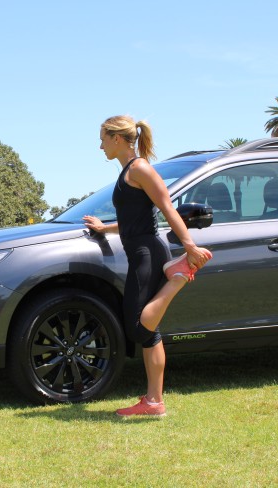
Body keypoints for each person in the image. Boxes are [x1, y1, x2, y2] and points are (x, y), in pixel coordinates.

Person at [83, 115, 212, 417]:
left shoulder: (140, 168)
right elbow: (133, 220)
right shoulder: (129, 171)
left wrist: (189, 246)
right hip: (141, 249)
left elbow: (166, 207)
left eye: (103, 138)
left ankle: (177, 278)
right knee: (150, 332)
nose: (100, 145)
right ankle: (154, 402)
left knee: (139, 326)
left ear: (117, 138)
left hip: (148, 252)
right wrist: (105, 228)